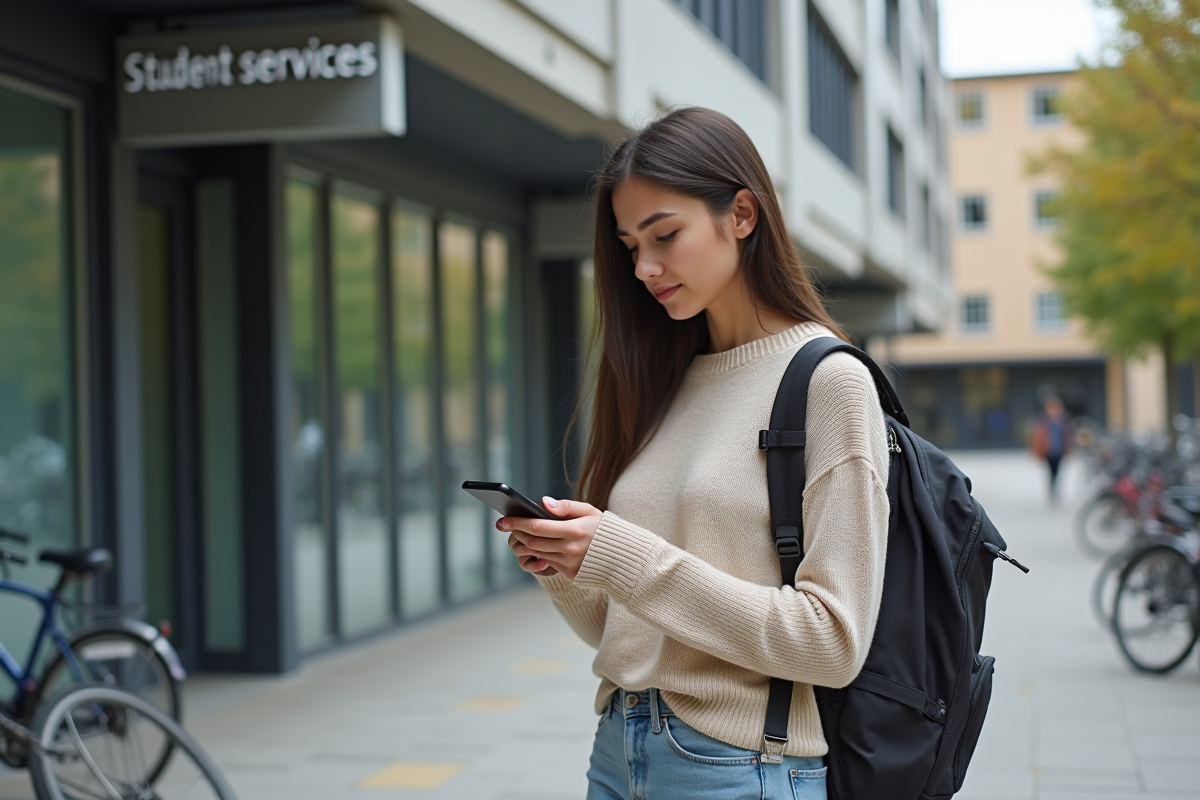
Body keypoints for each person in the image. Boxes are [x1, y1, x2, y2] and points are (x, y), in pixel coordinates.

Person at [498, 108, 889, 800]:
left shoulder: (829, 382)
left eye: (665, 235)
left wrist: (626, 555)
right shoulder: (667, 379)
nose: (644, 267)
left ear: (741, 214)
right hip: (618, 749)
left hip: (737, 768)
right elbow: (628, 633)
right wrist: (564, 566)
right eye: (628, 246)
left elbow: (833, 644)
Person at [1029, 396, 1072, 504]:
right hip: (1048, 451)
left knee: (1058, 472)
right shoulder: (1043, 422)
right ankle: (1052, 493)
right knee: (1051, 473)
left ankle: (1056, 492)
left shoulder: (1063, 421)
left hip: (1059, 450)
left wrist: (1069, 450)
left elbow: (1068, 437)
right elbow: (1036, 438)